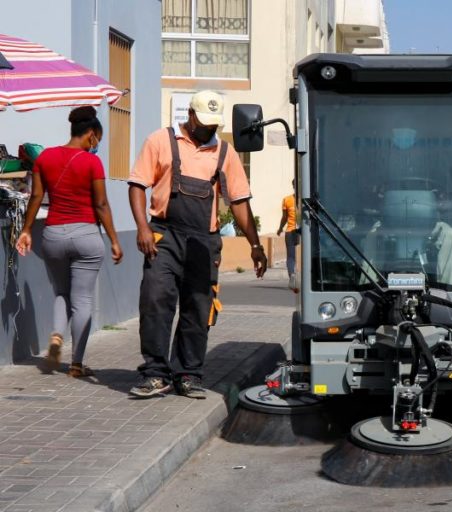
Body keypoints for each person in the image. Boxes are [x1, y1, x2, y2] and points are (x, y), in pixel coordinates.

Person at [127, 90, 267, 399]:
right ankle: (155, 373)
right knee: (155, 301)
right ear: (190, 115)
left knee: (198, 308)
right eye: (204, 124)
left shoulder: (225, 153)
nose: (209, 130)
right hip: (164, 235)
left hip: (204, 241)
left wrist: (255, 246)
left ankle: (187, 373)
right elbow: (137, 185)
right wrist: (142, 228)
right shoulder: (160, 141)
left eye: (214, 125)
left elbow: (240, 202)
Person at [15, 106, 123, 377]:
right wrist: (113, 239)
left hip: (53, 235)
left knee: (62, 293)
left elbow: (36, 197)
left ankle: (55, 337)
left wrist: (27, 230)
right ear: (90, 134)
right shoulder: (92, 162)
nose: (97, 143)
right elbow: (100, 204)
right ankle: (76, 363)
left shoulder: (45, 158)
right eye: (97, 137)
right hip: (86, 235)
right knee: (82, 299)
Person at [277, 180, 298, 291]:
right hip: (303, 232)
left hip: (290, 231)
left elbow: (284, 218)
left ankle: (292, 275)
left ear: (293, 186)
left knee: (291, 257)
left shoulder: (287, 200)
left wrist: (280, 228)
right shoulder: (306, 200)